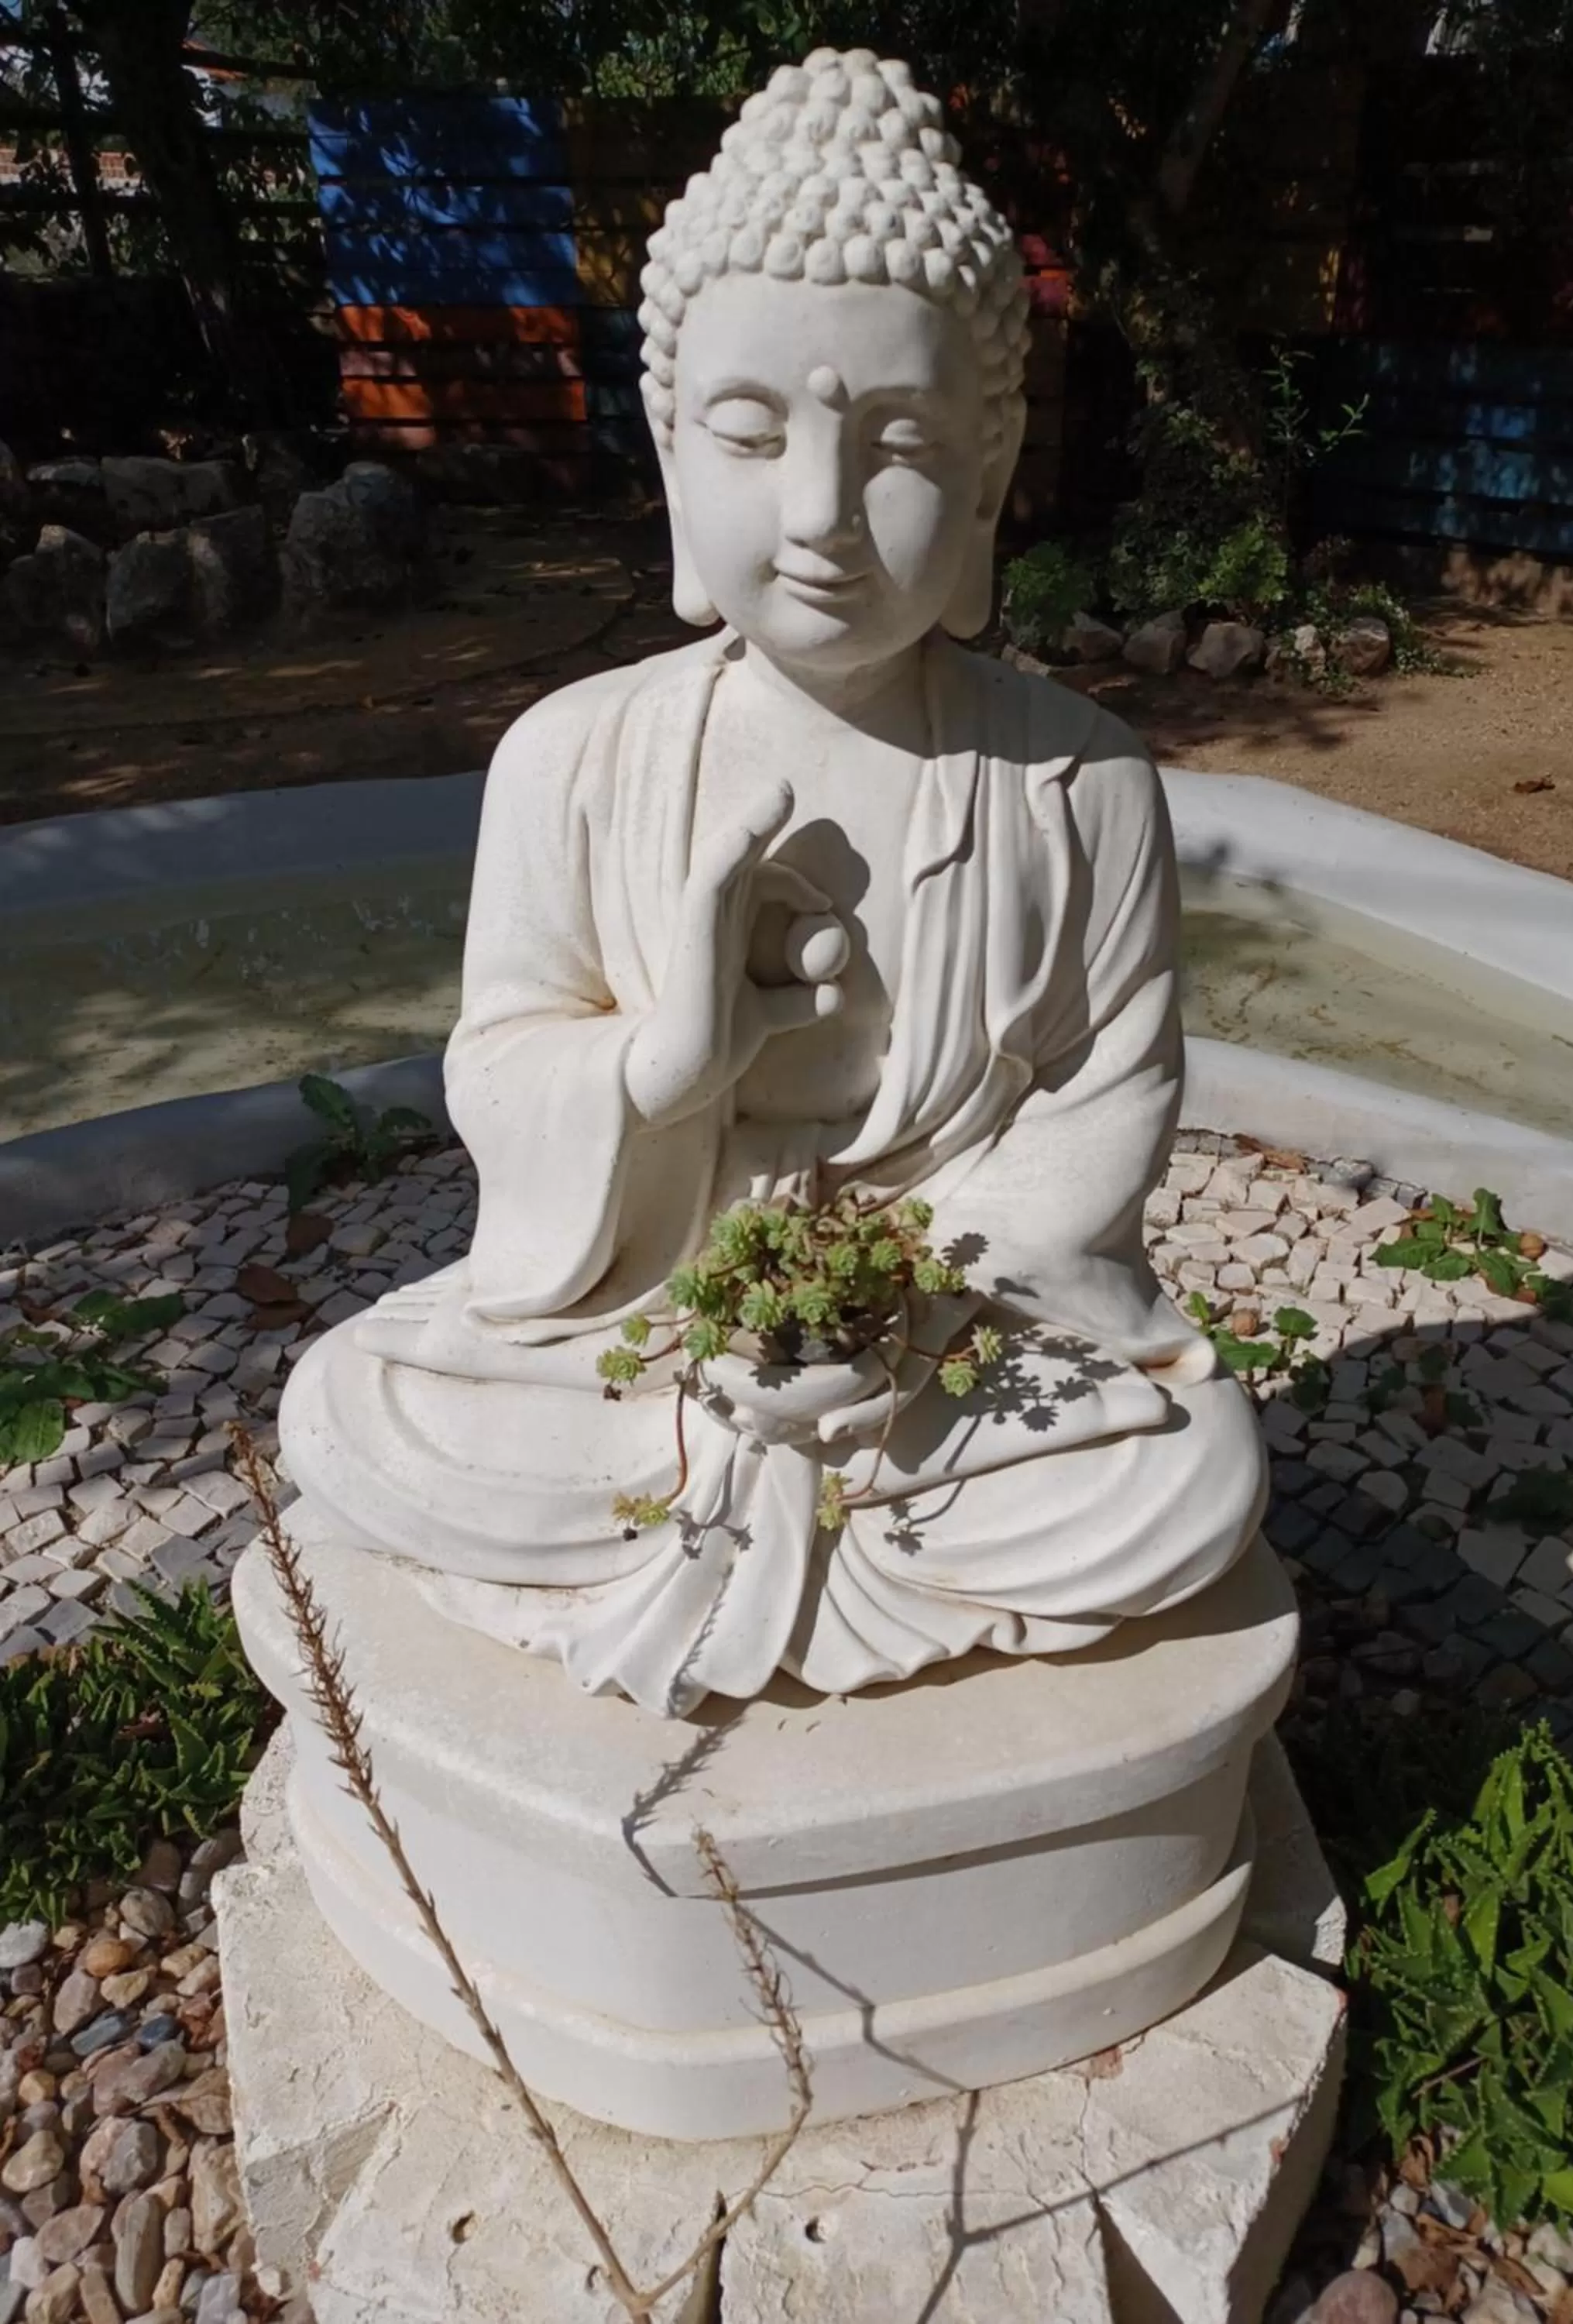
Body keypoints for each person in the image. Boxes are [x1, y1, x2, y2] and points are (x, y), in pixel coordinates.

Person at [278, 49, 1267, 1717]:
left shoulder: (1077, 780)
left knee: (1186, 1469)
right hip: (647, 1309)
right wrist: (655, 1069)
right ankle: (758, 1500)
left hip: (952, 1333)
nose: (820, 516)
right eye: (749, 435)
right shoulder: (574, 757)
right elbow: (501, 1063)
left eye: (898, 443)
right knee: (355, 1403)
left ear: (988, 472)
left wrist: (887, 1322)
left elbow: (1100, 1113)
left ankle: (793, 1509)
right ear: (673, 454)